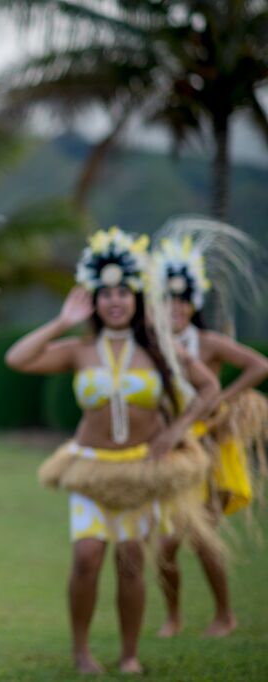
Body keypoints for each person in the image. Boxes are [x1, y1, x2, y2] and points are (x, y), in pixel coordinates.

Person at [5, 227, 218, 675]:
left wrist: (177, 429)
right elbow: (17, 360)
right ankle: (82, 651)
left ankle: (128, 654)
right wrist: (63, 322)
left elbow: (209, 388)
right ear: (94, 301)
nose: (116, 301)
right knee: (86, 557)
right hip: (91, 467)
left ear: (138, 299)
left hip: (140, 468)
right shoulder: (80, 349)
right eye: (106, 293)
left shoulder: (161, 347)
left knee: (131, 562)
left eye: (125, 292)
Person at [151, 221, 268, 638]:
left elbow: (259, 365)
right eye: (169, 302)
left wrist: (225, 399)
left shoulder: (208, 343)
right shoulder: (151, 345)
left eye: (183, 302)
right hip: (174, 450)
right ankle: (173, 616)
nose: (176, 309)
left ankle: (224, 614)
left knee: (202, 538)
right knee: (165, 547)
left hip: (211, 450)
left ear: (193, 304)